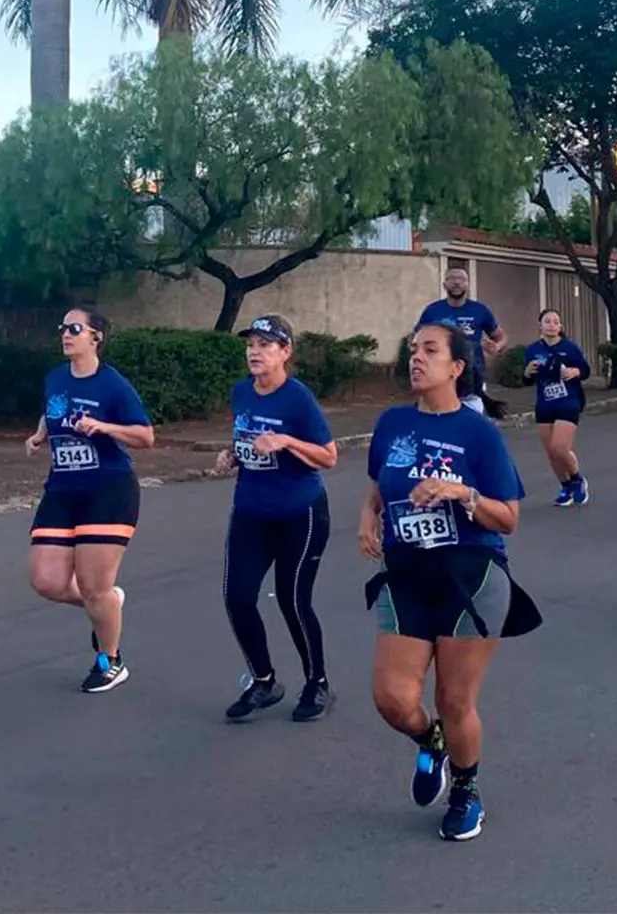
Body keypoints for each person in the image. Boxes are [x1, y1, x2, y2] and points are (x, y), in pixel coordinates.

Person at [360, 321, 536, 842]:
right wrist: (368, 518)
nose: (416, 358)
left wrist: (463, 494)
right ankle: (430, 741)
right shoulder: (392, 423)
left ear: (457, 367)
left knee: (454, 701)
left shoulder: (478, 433)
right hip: (407, 573)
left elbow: (508, 519)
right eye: (413, 349)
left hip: (471, 577)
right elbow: (378, 484)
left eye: (430, 350)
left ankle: (466, 791)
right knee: (392, 699)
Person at [25, 305, 155, 692]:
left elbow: (145, 436)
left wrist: (104, 426)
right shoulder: (55, 378)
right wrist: (40, 435)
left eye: (75, 329)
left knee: (93, 584)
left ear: (96, 337)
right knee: (46, 581)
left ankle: (110, 661)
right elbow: (51, 413)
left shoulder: (112, 385)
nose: (65, 334)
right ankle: (107, 603)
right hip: (62, 490)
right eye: (63, 328)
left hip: (108, 490)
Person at [216, 315, 338, 723]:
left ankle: (317, 682)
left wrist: (286, 441)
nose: (255, 352)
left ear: (285, 352)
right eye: (251, 344)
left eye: (265, 345)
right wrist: (233, 454)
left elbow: (329, 456)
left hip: (300, 513)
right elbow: (248, 439)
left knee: (292, 599)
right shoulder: (241, 392)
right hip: (251, 512)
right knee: (237, 597)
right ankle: (264, 680)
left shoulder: (298, 399)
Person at [522, 309, 593, 507]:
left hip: (568, 401)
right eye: (547, 321)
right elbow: (526, 380)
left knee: (559, 448)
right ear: (540, 326)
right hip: (545, 403)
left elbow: (585, 371)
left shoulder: (570, 348)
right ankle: (566, 486)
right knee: (551, 452)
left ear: (560, 326)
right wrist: (526, 372)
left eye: (555, 322)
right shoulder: (533, 350)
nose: (552, 325)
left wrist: (575, 371)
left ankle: (577, 480)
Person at [418, 267, 508, 417]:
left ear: (467, 284)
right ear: (444, 284)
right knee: (443, 424)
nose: (456, 282)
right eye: (452, 278)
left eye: (461, 279)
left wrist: (497, 347)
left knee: (470, 424)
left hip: (472, 381)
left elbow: (501, 336)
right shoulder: (432, 311)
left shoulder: (479, 310)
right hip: (440, 379)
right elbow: (417, 338)